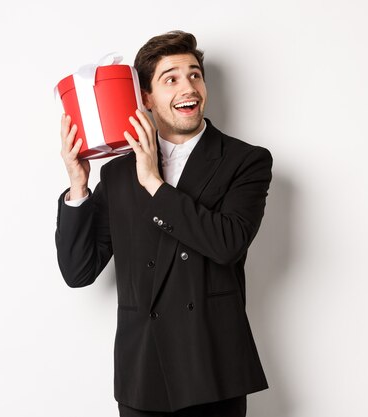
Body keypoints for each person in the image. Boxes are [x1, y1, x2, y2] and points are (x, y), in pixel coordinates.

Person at [56, 30, 272, 417]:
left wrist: (154, 183)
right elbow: (79, 271)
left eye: (194, 74)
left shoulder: (246, 161)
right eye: (170, 78)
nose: (188, 87)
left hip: (212, 369)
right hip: (142, 374)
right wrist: (78, 185)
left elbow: (227, 243)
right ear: (145, 98)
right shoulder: (119, 173)